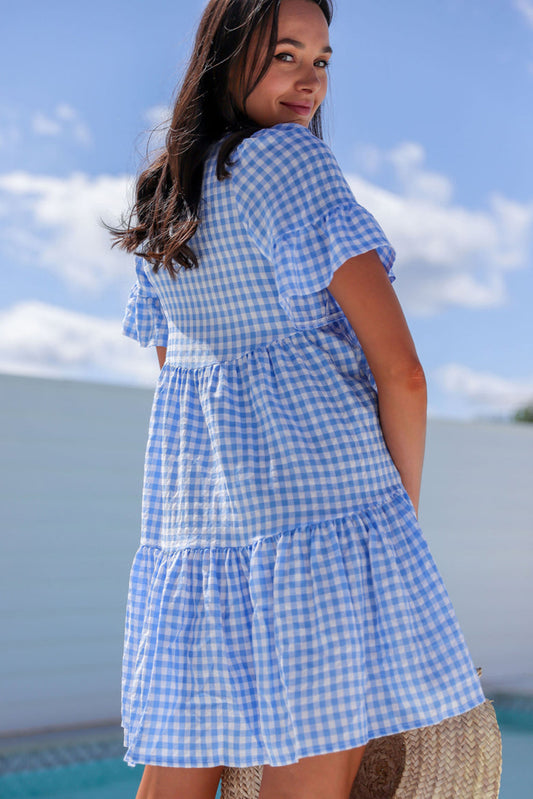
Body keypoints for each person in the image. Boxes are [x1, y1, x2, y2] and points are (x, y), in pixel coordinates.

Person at [108, 0, 486, 797]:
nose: (308, 79)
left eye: (321, 59)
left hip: (196, 532)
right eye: (286, 54)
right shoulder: (288, 160)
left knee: (175, 774)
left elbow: (177, 366)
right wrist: (395, 520)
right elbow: (403, 371)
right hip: (324, 513)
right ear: (229, 54)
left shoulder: (161, 195)